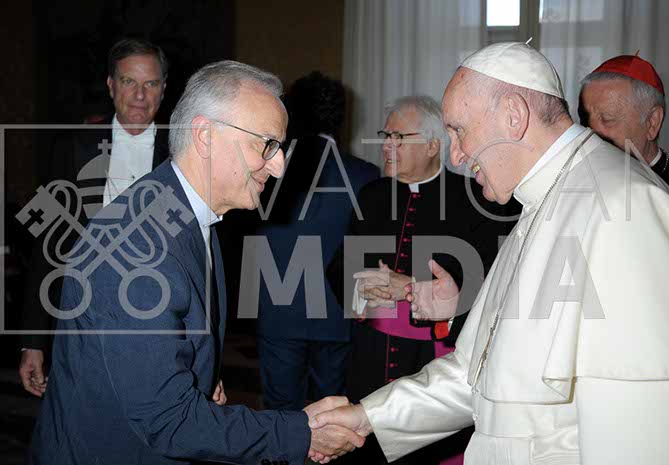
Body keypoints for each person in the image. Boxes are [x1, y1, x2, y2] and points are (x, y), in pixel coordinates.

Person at [309, 42, 669, 465]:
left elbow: (647, 428)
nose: (456, 155)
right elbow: (476, 374)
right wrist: (366, 418)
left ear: (514, 115)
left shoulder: (622, 205)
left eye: (460, 131)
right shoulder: (540, 200)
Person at [28, 60, 364, 465]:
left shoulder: (186, 211)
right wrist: (299, 433)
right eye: (267, 145)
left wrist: (199, 377)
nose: (279, 166)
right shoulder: (136, 246)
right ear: (205, 135)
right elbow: (168, 422)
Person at [332, 96, 518, 465]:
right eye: (386, 136)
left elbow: (494, 280)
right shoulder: (371, 195)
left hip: (432, 355)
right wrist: (359, 287)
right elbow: (339, 264)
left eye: (399, 138)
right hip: (371, 353)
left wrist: (413, 288)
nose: (387, 145)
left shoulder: (475, 199)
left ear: (433, 146)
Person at [19, 38, 171, 397]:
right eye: (129, 82)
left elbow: (203, 255)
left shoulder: (184, 153)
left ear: (164, 89)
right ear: (111, 85)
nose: (139, 95)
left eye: (150, 83)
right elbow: (47, 245)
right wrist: (32, 341)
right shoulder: (72, 147)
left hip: (160, 326)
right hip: (83, 322)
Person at [254, 71, 379, 411]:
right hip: (339, 315)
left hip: (278, 312)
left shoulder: (266, 171)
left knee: (280, 415)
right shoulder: (367, 176)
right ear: (341, 117)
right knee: (335, 413)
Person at [579, 54, 669, 228]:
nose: (590, 133)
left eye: (608, 118)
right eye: (584, 118)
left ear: (652, 122)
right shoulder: (576, 179)